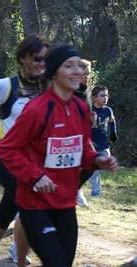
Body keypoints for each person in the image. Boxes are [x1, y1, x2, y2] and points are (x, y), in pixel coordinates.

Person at [0, 43, 118, 267]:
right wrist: (35, 175)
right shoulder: (36, 109)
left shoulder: (81, 109)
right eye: (69, 65)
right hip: (35, 205)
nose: (78, 71)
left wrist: (97, 160)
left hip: (65, 203)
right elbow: (7, 149)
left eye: (79, 66)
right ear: (54, 72)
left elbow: (82, 149)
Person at [0, 33, 50, 267]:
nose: (41, 64)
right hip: (5, 159)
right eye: (37, 59)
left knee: (7, 211)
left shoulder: (49, 88)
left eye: (45, 59)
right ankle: (19, 254)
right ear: (23, 58)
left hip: (33, 163)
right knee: (29, 205)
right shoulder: (8, 86)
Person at [89, 85, 118, 197]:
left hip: (103, 144)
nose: (105, 98)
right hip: (92, 144)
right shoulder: (90, 110)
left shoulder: (108, 110)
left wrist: (113, 133)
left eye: (106, 95)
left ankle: (87, 173)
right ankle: (95, 193)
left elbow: (111, 121)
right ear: (94, 98)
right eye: (102, 96)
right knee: (95, 169)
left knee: (107, 164)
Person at [74, 59, 95, 206]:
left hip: (83, 135)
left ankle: (75, 190)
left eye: (88, 74)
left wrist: (90, 118)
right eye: (84, 73)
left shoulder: (85, 89)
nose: (86, 76)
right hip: (67, 135)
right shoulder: (69, 90)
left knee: (92, 163)